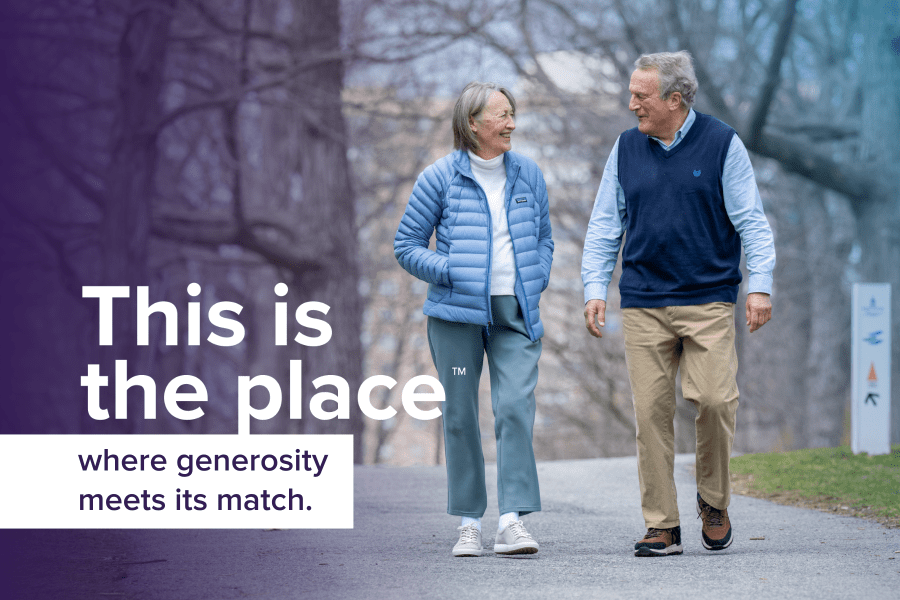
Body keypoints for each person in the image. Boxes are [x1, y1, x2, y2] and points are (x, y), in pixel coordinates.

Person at [581, 51, 776, 557]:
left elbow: (751, 220)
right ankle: (662, 525)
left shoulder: (722, 144)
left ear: (675, 99)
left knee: (713, 400)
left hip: (708, 300)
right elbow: (605, 224)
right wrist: (594, 289)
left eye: (640, 96)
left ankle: (713, 501)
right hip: (644, 302)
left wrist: (760, 284)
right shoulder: (626, 149)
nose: (631, 105)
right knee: (651, 415)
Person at [394, 81, 553, 558]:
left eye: (512, 114)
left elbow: (545, 238)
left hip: (514, 312)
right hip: (456, 316)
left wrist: (537, 276)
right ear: (472, 125)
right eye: (502, 115)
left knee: (514, 409)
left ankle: (512, 521)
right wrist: (452, 272)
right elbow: (406, 246)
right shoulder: (438, 178)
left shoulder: (529, 175)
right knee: (461, 415)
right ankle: (469, 522)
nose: (511, 123)